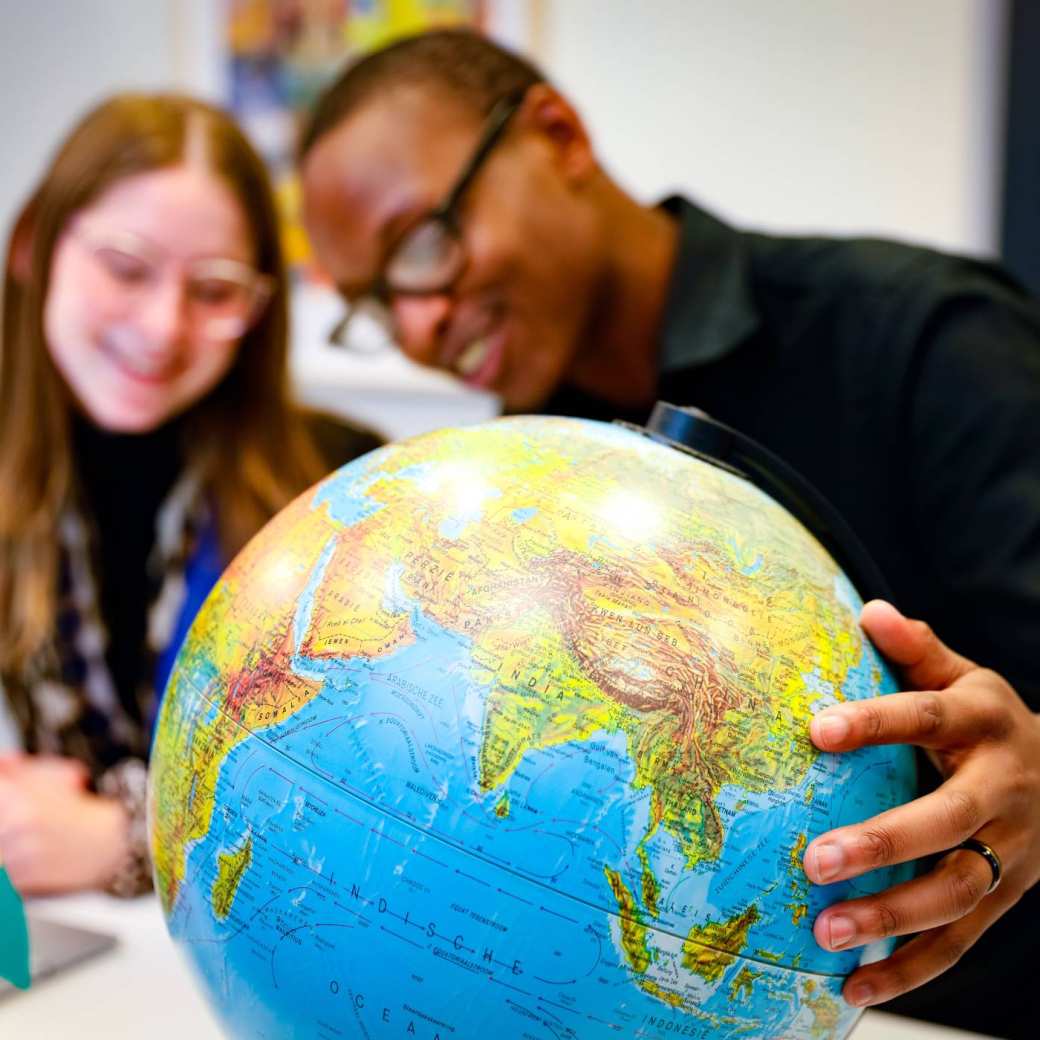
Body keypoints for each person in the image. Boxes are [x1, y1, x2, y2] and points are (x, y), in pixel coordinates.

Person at [295, 29, 1040, 1039]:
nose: (418, 324)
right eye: (372, 306)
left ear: (555, 136)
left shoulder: (923, 339)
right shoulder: (519, 479)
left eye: (421, 245)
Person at [0, 93, 380, 899]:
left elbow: (382, 803)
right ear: (33, 245)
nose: (163, 326)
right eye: (126, 268)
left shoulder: (344, 492)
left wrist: (128, 835)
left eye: (214, 291)